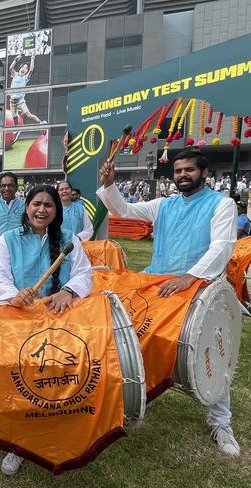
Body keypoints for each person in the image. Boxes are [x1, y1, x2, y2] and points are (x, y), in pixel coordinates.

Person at [97, 148, 240, 456]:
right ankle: (129, 399)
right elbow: (125, 211)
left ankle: (221, 421)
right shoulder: (164, 204)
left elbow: (223, 247)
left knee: (212, 351)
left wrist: (189, 277)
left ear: (203, 173)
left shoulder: (222, 204)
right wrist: (109, 185)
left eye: (188, 170)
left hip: (199, 288)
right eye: (177, 171)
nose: (182, 175)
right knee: (130, 337)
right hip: (158, 287)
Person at [0, 185, 93, 475]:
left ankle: (52, 429)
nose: (42, 210)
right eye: (37, 203)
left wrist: (68, 291)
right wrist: (14, 295)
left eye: (49, 205)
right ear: (27, 207)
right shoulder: (8, 239)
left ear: (56, 211)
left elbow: (85, 273)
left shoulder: (69, 240)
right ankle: (19, 442)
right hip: (18, 317)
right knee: (21, 380)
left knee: (54, 378)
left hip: (57, 317)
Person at [8, 53, 43, 127]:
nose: (24, 69)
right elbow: (11, 68)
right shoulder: (15, 74)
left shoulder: (25, 78)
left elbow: (31, 70)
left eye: (26, 68)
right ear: (20, 68)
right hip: (12, 102)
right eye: (23, 67)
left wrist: (32, 59)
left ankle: (41, 122)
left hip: (20, 101)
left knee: (29, 115)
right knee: (14, 118)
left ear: (27, 71)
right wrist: (18, 57)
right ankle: (16, 129)